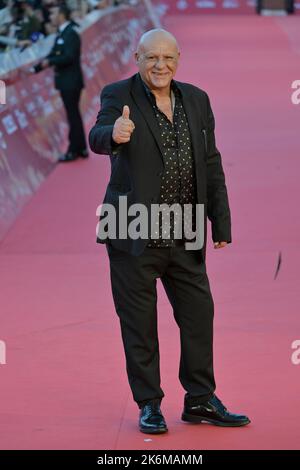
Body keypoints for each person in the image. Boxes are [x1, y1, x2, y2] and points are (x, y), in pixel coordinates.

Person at [89, 29, 251, 434]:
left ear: (178, 58)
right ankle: (149, 404)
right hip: (132, 229)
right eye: (150, 58)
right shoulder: (117, 95)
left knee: (200, 315)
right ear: (137, 57)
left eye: (167, 58)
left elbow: (211, 162)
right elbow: (98, 134)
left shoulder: (197, 100)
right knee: (139, 323)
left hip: (185, 229)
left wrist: (221, 219)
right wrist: (113, 135)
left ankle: (200, 399)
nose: (160, 66)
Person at [33, 4, 88, 162]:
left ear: (62, 15)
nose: (50, 17)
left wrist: (50, 62)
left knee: (73, 116)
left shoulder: (70, 33)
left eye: (53, 14)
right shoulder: (62, 34)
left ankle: (73, 150)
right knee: (74, 115)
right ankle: (81, 148)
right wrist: (35, 69)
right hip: (67, 81)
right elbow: (52, 54)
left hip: (70, 81)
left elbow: (69, 57)